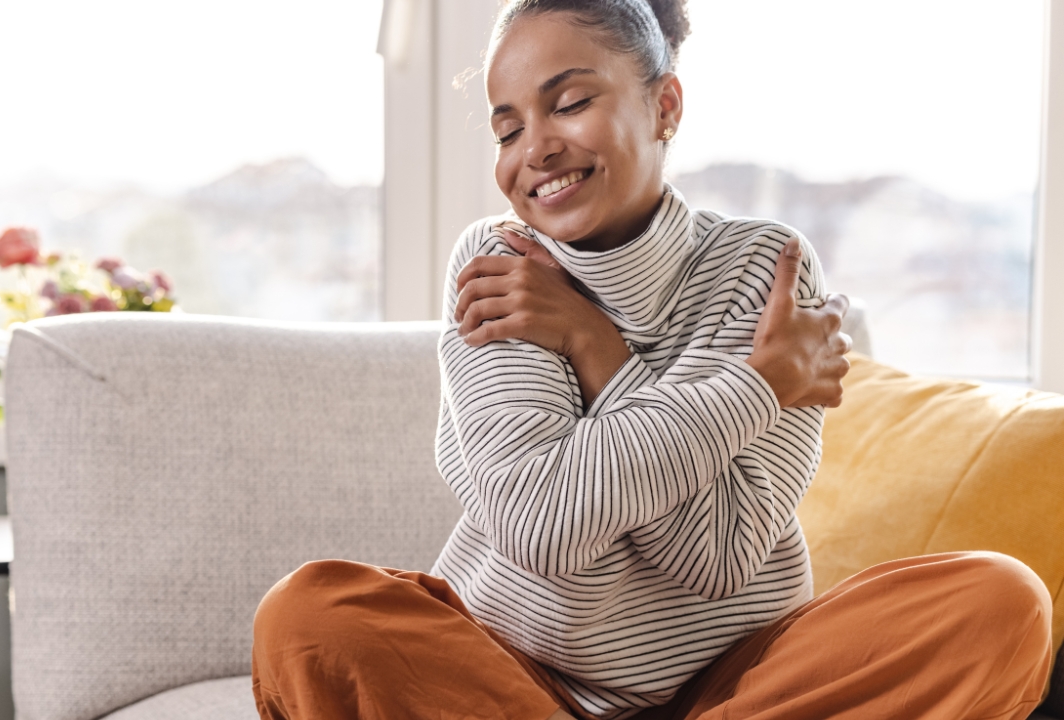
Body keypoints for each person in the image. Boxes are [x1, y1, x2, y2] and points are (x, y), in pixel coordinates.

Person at [251, 1, 1053, 718]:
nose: (535, 149)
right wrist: (757, 387)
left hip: (734, 685)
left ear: (664, 105)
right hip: (513, 681)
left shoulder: (763, 267)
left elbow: (720, 557)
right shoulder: (499, 263)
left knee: (998, 602)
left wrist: (595, 346)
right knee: (310, 619)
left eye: (568, 103)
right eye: (507, 128)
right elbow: (542, 527)